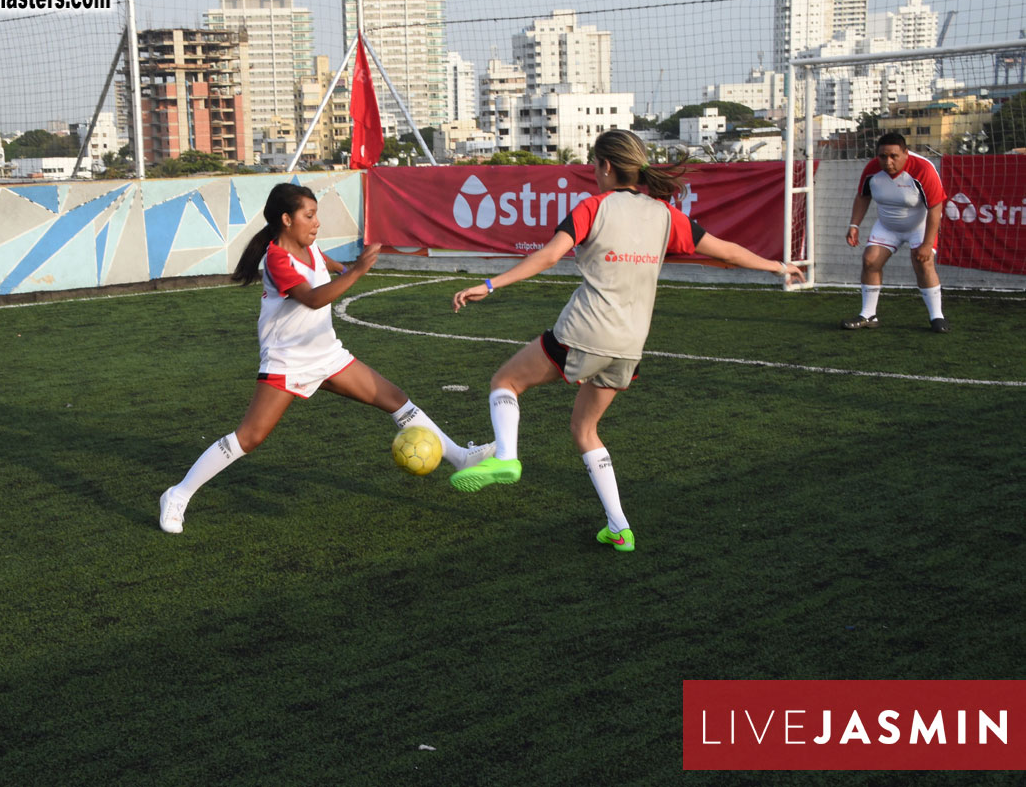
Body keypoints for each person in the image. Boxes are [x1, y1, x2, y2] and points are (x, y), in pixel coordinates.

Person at [447, 129, 805, 552]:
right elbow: (724, 250)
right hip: (630, 346)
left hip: (585, 331)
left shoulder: (593, 207)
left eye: (593, 164)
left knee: (505, 382)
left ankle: (506, 457)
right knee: (585, 429)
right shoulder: (665, 214)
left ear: (605, 166)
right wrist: (775, 266)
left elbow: (548, 255)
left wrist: (490, 284)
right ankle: (619, 527)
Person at [158, 182, 494, 534]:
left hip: (327, 355)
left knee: (396, 399)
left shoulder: (310, 248)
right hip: (287, 362)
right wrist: (358, 271)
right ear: (287, 219)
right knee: (250, 437)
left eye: (316, 214)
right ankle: (177, 495)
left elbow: (330, 266)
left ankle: (460, 457)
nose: (317, 222)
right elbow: (314, 298)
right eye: (310, 215)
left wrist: (347, 269)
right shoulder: (277, 258)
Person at [841, 133, 949, 333]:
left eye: (894, 156)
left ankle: (937, 317)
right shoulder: (872, 169)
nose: (888, 162)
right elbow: (863, 196)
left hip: (919, 225)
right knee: (870, 260)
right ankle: (868, 315)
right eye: (883, 156)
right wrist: (854, 225)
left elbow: (936, 207)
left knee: (923, 263)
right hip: (887, 226)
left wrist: (927, 244)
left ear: (906, 153)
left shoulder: (923, 169)